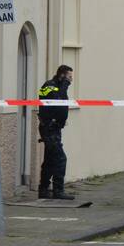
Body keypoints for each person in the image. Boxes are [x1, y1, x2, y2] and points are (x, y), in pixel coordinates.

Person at [37, 64, 74, 200]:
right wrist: (64, 85)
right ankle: (58, 190)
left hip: (55, 128)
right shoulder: (50, 86)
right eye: (69, 77)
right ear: (62, 75)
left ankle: (44, 189)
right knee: (60, 159)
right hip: (48, 128)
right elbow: (58, 101)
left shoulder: (59, 87)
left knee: (50, 160)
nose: (71, 80)